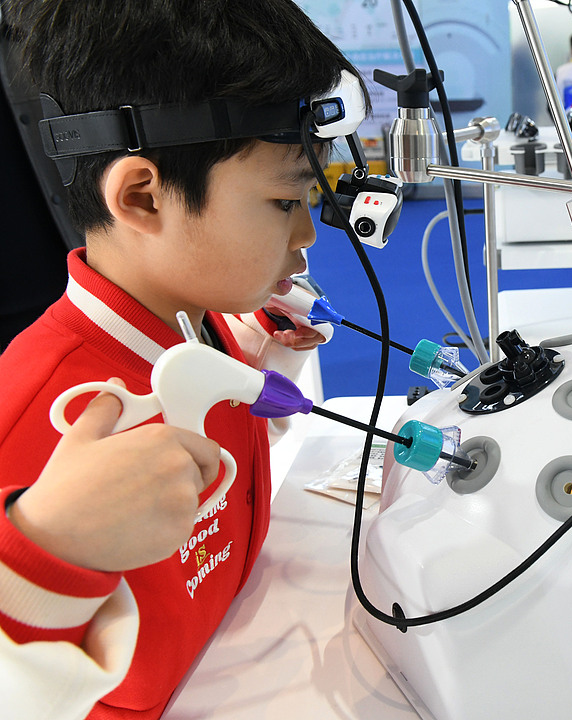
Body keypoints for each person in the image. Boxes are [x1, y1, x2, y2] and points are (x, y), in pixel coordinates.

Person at [0, 1, 369, 717]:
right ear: (143, 196)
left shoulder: (195, 325)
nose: (306, 233)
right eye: (284, 198)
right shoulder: (32, 413)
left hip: (234, 657)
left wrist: (261, 362)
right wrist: (42, 550)